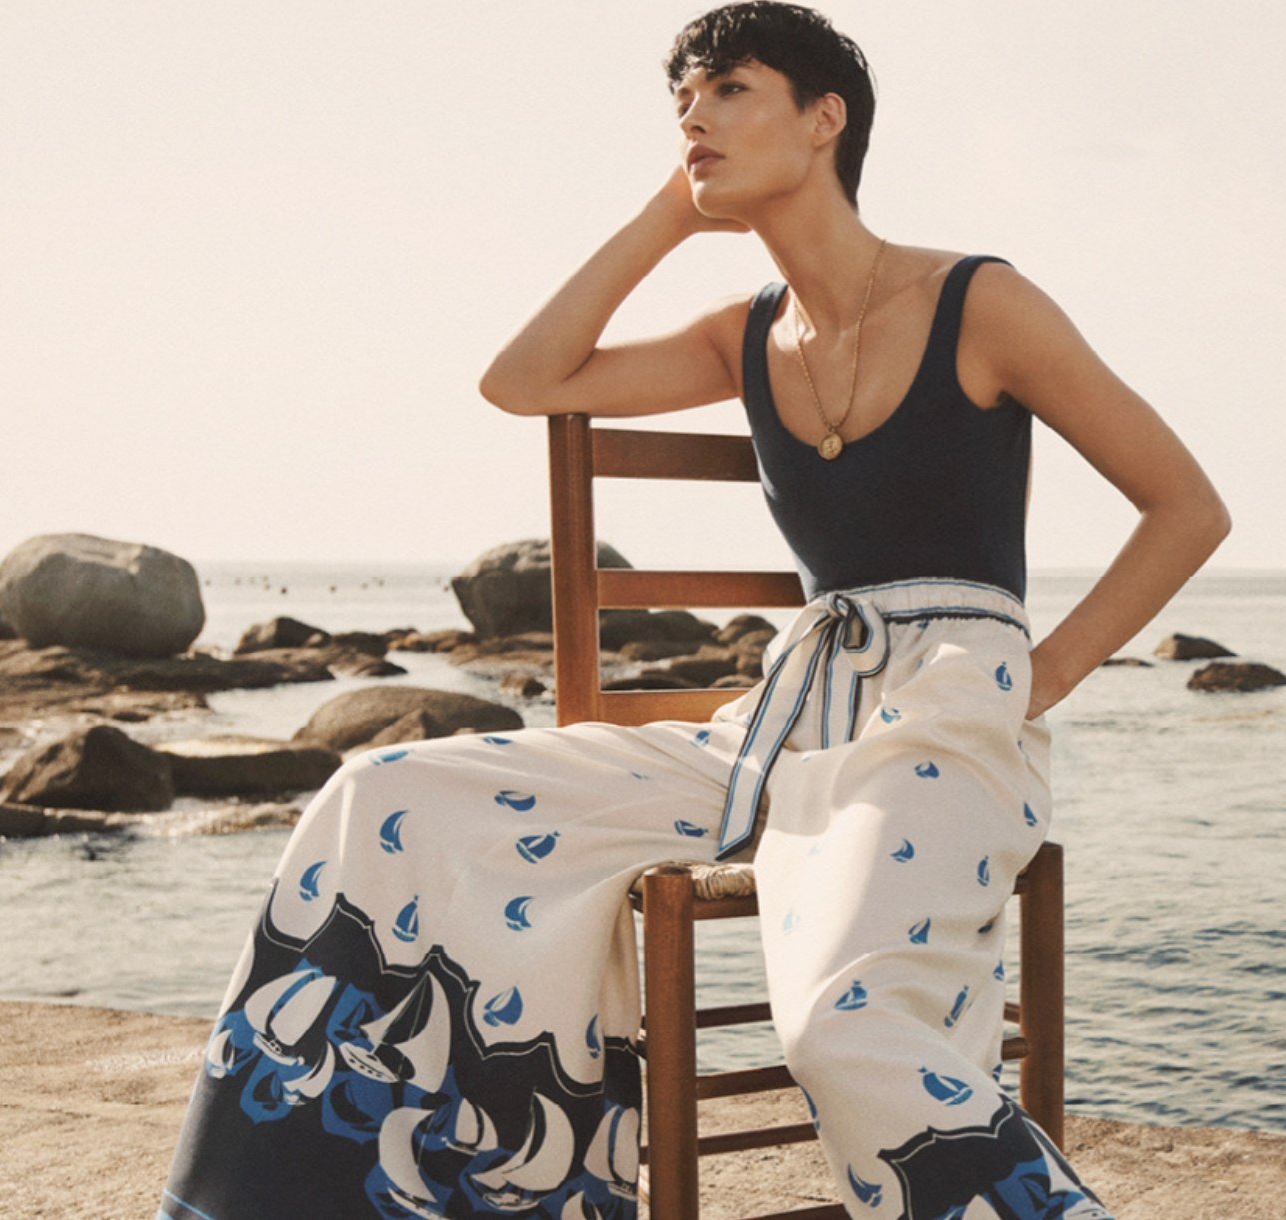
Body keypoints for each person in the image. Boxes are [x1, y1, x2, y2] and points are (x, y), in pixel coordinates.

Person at [155, 3, 1229, 1217]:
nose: (692, 115)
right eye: (682, 99)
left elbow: (1186, 505)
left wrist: (1037, 677)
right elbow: (524, 379)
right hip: (771, 730)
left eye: (727, 90)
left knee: (842, 1018)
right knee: (380, 796)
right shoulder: (744, 335)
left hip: (942, 721)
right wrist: (674, 212)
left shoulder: (983, 302)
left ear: (825, 119)